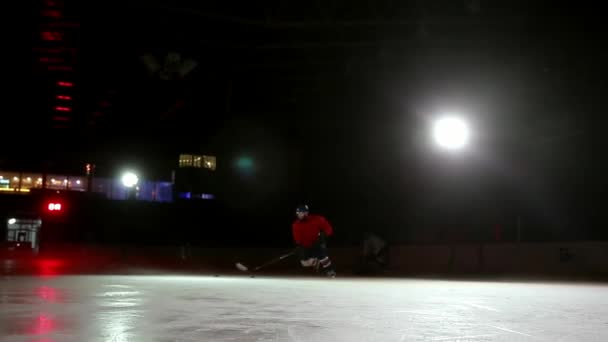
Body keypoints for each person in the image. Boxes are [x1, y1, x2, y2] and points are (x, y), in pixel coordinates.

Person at [292, 204, 336, 278]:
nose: (300, 215)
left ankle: (330, 270)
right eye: (298, 213)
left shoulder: (317, 219)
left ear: (307, 213)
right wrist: (299, 246)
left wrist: (324, 235)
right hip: (306, 246)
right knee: (304, 263)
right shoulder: (296, 225)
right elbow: (298, 239)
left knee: (322, 254)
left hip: (317, 243)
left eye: (302, 213)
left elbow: (329, 229)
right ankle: (315, 260)